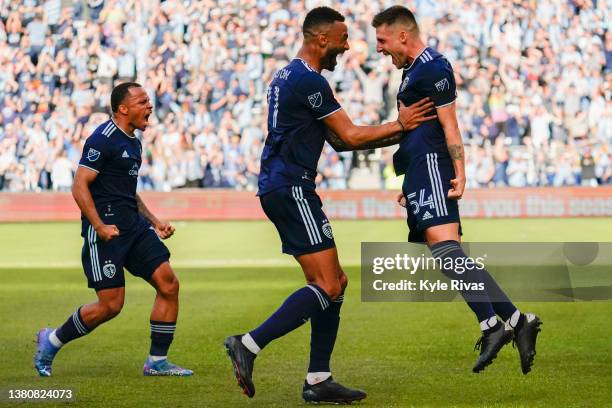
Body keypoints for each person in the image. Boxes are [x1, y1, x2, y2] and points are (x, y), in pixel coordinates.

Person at [223, 7, 435, 404]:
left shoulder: (288, 75)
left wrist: (398, 132)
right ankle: (248, 344)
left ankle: (318, 379)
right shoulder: (307, 81)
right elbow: (351, 135)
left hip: (283, 185)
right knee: (328, 284)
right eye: (341, 39)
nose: (346, 46)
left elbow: (339, 141)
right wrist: (402, 125)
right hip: (291, 187)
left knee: (335, 284)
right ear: (321, 39)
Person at [372, 6, 542, 374]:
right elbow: (413, 129)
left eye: (382, 41)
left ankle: (494, 325)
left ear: (403, 35)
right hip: (421, 170)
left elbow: (450, 126)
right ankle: (516, 321)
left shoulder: (434, 67)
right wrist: (408, 178)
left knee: (448, 252)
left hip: (435, 166)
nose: (379, 50)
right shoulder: (413, 71)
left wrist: (460, 172)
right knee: (446, 254)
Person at [34, 82, 193, 377]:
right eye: (143, 102)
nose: (150, 106)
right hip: (106, 231)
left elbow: (127, 191)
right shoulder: (102, 139)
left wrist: (155, 222)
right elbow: (79, 185)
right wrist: (99, 225)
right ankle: (52, 339)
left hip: (134, 228)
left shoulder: (134, 141)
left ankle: (157, 362)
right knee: (110, 305)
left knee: (169, 284)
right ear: (123, 108)